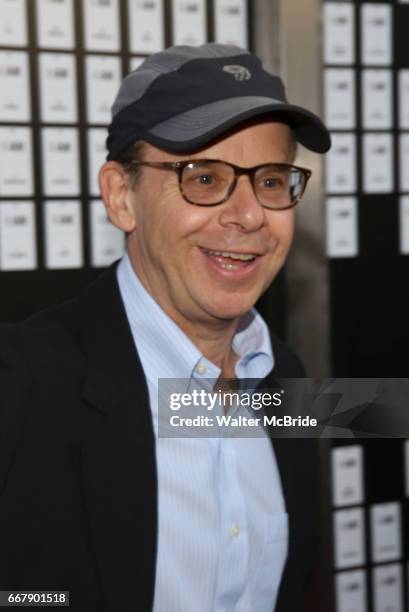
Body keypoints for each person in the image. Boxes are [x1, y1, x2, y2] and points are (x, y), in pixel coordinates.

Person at [0, 43, 330, 612]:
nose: (249, 215)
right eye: (204, 177)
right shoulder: (22, 385)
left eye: (272, 181)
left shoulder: (284, 376)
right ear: (121, 196)